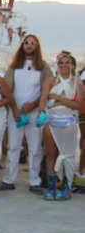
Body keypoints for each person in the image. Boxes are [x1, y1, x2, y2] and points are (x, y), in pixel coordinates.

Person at [0, 34, 53, 193]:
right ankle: (9, 180)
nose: (29, 45)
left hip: (34, 113)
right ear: (22, 46)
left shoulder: (43, 67)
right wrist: (15, 109)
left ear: (37, 46)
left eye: (32, 43)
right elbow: (6, 88)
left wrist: (33, 105)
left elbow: (46, 90)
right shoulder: (14, 66)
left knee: (35, 148)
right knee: (13, 146)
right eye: (26, 43)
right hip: (15, 113)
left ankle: (35, 182)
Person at [38, 52, 85, 200]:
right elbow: (43, 101)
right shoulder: (50, 81)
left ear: (72, 65)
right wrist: (42, 114)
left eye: (67, 62)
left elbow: (79, 105)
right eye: (61, 63)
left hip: (68, 122)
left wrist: (59, 99)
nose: (64, 65)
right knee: (51, 156)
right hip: (50, 121)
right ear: (57, 65)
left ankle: (66, 187)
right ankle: (52, 187)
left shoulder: (77, 83)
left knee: (67, 156)